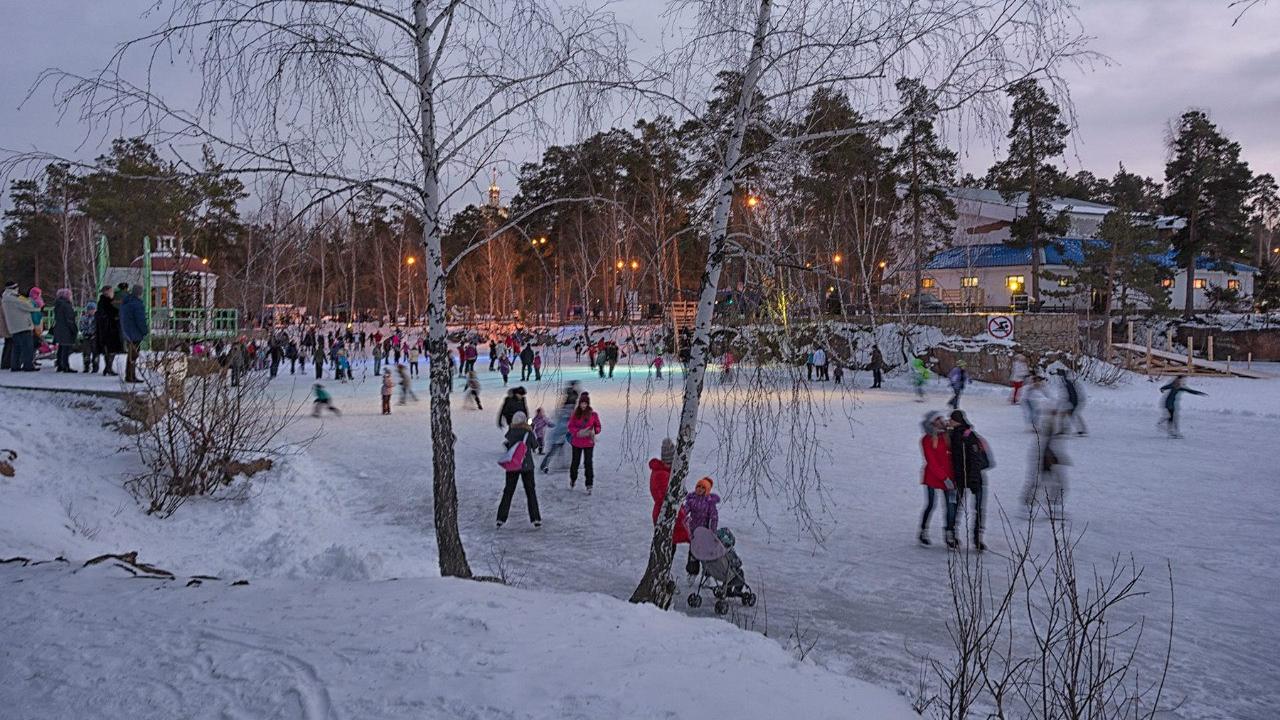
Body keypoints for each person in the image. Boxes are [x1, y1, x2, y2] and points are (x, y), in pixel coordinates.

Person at [948, 409, 991, 551]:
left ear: (957, 421)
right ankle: (955, 535)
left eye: (951, 420)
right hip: (961, 478)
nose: (949, 422)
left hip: (973, 478)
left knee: (976, 508)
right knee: (959, 507)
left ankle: (977, 538)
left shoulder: (969, 436)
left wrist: (973, 480)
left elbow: (975, 459)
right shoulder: (952, 434)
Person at [496, 411, 542, 529]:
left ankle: (501, 518)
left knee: (508, 491)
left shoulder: (511, 432)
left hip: (513, 466)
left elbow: (507, 444)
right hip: (527, 466)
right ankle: (535, 518)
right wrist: (531, 430)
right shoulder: (528, 432)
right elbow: (535, 446)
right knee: (530, 492)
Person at [649, 438, 691, 563]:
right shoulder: (662, 475)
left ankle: (663, 573)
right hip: (666, 515)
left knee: (669, 545)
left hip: (666, 513)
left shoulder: (664, 473)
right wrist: (682, 515)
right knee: (667, 547)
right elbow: (667, 500)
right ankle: (662, 574)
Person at [918, 411, 956, 547]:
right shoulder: (926, 439)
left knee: (951, 506)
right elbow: (932, 461)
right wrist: (944, 478)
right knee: (931, 504)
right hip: (933, 478)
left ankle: (949, 533)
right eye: (938, 420)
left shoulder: (948, 436)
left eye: (942, 419)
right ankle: (923, 531)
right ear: (932, 422)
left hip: (950, 478)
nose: (942, 421)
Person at [682, 476, 720, 576]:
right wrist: (683, 516)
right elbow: (684, 512)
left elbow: (714, 517)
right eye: (698, 486)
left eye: (703, 488)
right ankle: (692, 573)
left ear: (707, 490)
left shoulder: (709, 502)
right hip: (693, 532)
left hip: (705, 532)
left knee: (706, 554)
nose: (700, 489)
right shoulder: (691, 500)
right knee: (693, 553)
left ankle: (707, 573)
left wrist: (712, 531)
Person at [539, 381, 580, 473]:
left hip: (562, 435)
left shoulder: (566, 412)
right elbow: (563, 425)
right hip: (560, 436)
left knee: (560, 450)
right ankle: (544, 465)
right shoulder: (567, 413)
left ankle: (563, 464)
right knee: (554, 450)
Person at [566, 391, 602, 493]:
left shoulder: (593, 415)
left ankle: (589, 484)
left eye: (585, 403)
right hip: (577, 442)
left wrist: (594, 431)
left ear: (588, 404)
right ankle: (573, 479)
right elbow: (570, 426)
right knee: (575, 462)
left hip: (588, 442)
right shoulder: (575, 414)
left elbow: (598, 426)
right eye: (582, 403)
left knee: (588, 463)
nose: (583, 405)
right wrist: (577, 432)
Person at [1, 282, 38, 372]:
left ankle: (15, 365)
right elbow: (28, 306)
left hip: (13, 326)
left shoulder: (5, 297)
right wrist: (35, 306)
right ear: (14, 288)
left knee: (16, 347)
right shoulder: (14, 297)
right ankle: (28, 365)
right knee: (27, 347)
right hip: (23, 325)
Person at [51, 289, 78, 373]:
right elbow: (69, 319)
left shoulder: (58, 305)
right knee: (66, 348)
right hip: (66, 329)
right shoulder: (66, 306)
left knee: (61, 348)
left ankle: (60, 364)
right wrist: (74, 329)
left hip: (59, 329)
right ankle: (65, 366)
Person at [1055, 368, 1086, 436]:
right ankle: (1080, 430)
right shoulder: (1069, 381)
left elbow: (1065, 395)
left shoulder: (1066, 383)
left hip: (1075, 401)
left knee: (1068, 414)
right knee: (1069, 414)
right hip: (1075, 401)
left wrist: (1059, 405)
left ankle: (1079, 430)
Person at [78, 302, 99, 373]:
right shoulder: (84, 318)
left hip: (95, 337)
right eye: (90, 309)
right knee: (86, 352)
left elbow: (99, 328)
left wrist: (95, 333)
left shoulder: (97, 318)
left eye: (93, 309)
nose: (91, 311)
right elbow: (81, 327)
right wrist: (85, 333)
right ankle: (86, 366)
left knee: (95, 352)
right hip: (86, 337)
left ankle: (95, 366)